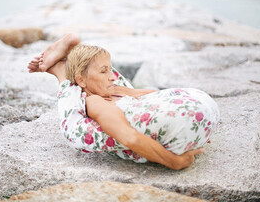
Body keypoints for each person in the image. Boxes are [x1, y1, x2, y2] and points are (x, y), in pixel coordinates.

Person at [28, 34, 220, 170]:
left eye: (111, 70)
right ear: (80, 81)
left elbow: (159, 95)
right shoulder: (94, 102)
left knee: (101, 72)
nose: (112, 77)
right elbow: (129, 137)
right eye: (104, 72)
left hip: (97, 84)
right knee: (83, 77)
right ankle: (58, 68)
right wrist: (174, 162)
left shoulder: (117, 90)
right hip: (84, 87)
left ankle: (65, 58)